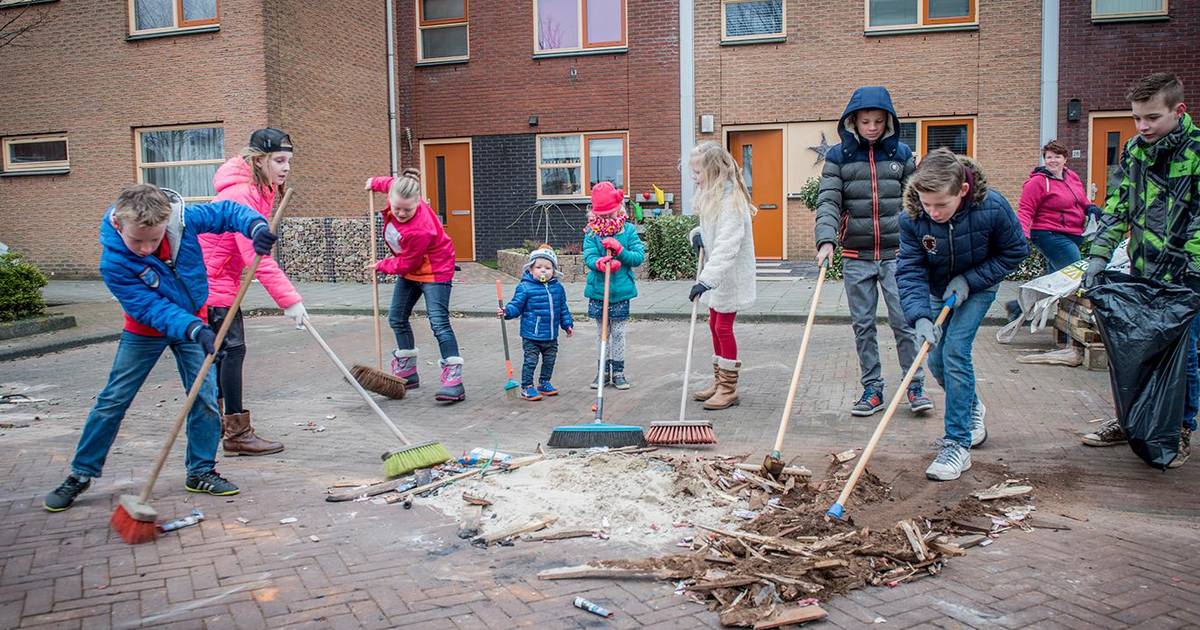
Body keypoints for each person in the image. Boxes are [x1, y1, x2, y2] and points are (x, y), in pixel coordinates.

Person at [43, 184, 280, 511]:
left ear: (166, 223)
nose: (145, 248)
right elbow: (149, 308)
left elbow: (227, 212)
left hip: (193, 321)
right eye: (137, 240)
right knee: (114, 398)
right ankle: (80, 473)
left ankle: (200, 471)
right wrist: (197, 329)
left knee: (206, 396)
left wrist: (254, 227)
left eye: (154, 240)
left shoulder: (184, 221)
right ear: (118, 225)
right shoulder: (113, 261)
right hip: (146, 330)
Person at [1083, 72, 1200, 467]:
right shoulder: (1134, 152)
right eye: (1136, 118)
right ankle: (1131, 421)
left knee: (1183, 357)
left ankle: (1178, 430)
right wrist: (1098, 256)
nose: (1142, 126)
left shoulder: (1198, 151)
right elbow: (1118, 206)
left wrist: (1195, 270)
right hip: (1144, 272)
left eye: (1151, 117)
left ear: (1178, 110)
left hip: (1185, 280)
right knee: (1132, 351)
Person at [896, 148, 1028, 481]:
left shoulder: (992, 207)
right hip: (939, 290)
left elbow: (1014, 252)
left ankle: (957, 444)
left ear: (963, 191)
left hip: (979, 286)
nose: (933, 212)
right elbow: (910, 270)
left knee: (955, 350)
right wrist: (920, 316)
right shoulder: (913, 218)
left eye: (942, 204)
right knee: (936, 360)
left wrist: (969, 280)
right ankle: (970, 406)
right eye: (927, 204)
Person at [813, 86, 933, 418]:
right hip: (856, 256)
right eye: (865, 121)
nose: (872, 128)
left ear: (888, 121)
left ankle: (915, 385)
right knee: (863, 326)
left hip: (898, 256)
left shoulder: (901, 154)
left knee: (905, 323)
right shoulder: (838, 157)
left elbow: (917, 203)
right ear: (853, 121)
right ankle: (873, 388)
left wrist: (924, 245)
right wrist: (826, 240)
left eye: (879, 121)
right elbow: (828, 200)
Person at [199, 128, 304, 456]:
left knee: (221, 354)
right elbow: (257, 258)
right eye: (279, 160)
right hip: (210, 282)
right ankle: (236, 434)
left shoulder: (261, 188)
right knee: (232, 351)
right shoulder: (242, 194)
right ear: (258, 160)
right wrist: (291, 301)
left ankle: (216, 425)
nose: (286, 167)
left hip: (219, 279)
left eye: (289, 160)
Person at [366, 168, 465, 402]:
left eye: (407, 209)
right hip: (411, 269)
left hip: (434, 272)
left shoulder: (420, 229)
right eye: (396, 207)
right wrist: (373, 182)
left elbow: (407, 263)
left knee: (439, 323)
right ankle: (408, 372)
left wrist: (382, 265)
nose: (400, 213)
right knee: (396, 317)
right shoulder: (398, 192)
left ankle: (454, 380)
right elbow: (390, 182)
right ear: (391, 197)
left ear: (417, 202)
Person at [685, 141, 757, 410]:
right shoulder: (714, 196)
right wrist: (698, 236)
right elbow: (712, 232)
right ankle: (719, 381)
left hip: (729, 277)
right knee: (713, 324)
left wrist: (706, 280)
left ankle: (728, 389)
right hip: (717, 276)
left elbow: (728, 243)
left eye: (697, 172)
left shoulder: (732, 202)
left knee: (723, 327)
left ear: (714, 172)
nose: (694, 177)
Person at [1005, 140, 1102, 320]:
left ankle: (1016, 307)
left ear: (1065, 159)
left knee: (1053, 279)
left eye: (1057, 156)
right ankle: (1074, 320)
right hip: (1049, 234)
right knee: (1075, 275)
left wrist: (1090, 207)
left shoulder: (1071, 176)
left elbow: (1080, 198)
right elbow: (1025, 210)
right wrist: (1021, 237)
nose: (1052, 160)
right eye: (1049, 157)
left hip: (1072, 233)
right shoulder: (1037, 182)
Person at [582, 181, 646, 389]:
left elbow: (637, 257)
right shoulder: (592, 233)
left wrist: (620, 251)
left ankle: (618, 372)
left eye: (610, 214)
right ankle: (602, 372)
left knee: (618, 332)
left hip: (620, 292)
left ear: (619, 209)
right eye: (603, 216)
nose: (607, 219)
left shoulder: (627, 231)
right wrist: (599, 264)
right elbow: (589, 256)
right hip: (599, 292)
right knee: (602, 333)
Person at [498, 246, 574, 400]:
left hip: (551, 335)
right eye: (539, 267)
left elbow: (562, 308)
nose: (543, 271)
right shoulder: (525, 287)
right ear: (531, 269)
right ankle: (527, 386)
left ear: (554, 270)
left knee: (550, 361)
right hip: (532, 335)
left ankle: (544, 382)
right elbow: (516, 305)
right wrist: (507, 311)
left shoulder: (558, 288)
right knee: (531, 361)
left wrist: (567, 324)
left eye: (548, 267)